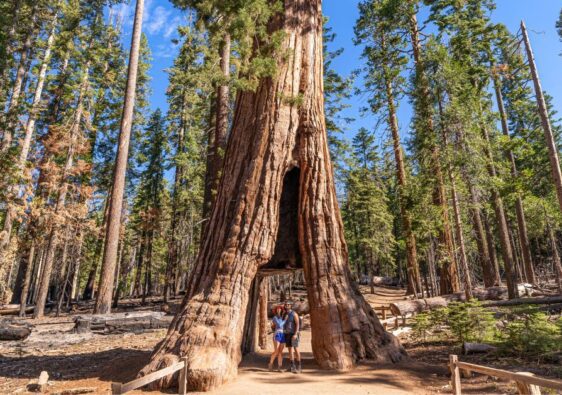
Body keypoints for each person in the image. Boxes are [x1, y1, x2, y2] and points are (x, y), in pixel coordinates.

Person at [283, 300, 301, 373]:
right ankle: (292, 366)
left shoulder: (294, 314)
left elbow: (297, 324)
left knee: (296, 349)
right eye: (286, 304)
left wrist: (295, 334)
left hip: (293, 334)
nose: (287, 306)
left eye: (288, 304)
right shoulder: (285, 314)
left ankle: (299, 367)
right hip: (287, 334)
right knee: (290, 350)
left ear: (291, 306)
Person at [268, 305, 286, 371]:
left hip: (283, 334)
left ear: (281, 310)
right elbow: (279, 325)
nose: (279, 310)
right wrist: (285, 320)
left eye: (280, 309)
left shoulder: (282, 317)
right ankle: (270, 364)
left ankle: (279, 367)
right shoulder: (275, 318)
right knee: (276, 351)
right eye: (277, 309)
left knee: (280, 352)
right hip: (277, 334)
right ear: (276, 311)